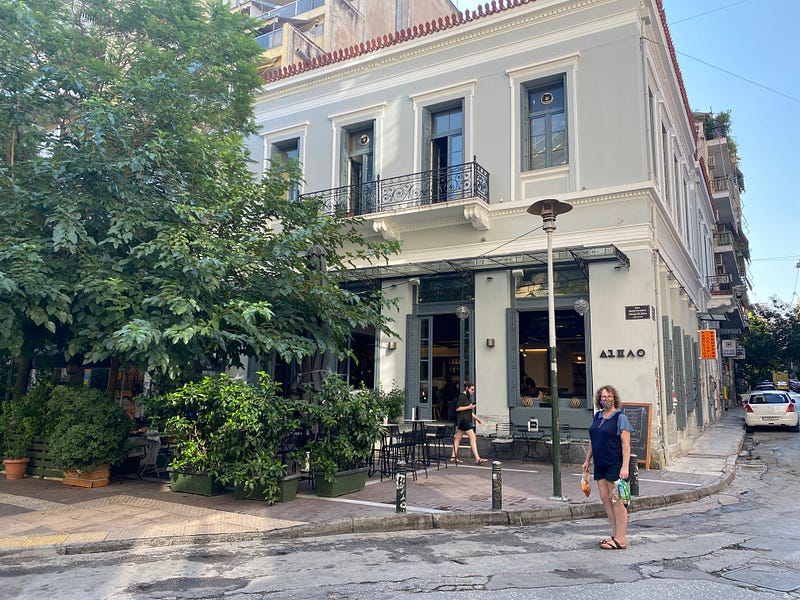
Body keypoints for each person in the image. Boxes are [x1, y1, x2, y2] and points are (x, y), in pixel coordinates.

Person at [581, 385, 634, 550]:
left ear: (614, 398)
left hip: (614, 463)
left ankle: (621, 539)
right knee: (605, 498)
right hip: (600, 464)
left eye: (609, 396)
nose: (606, 399)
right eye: (603, 397)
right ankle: (615, 534)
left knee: (617, 500)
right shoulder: (597, 416)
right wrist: (587, 460)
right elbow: (593, 440)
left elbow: (626, 444)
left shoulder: (620, 417)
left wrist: (625, 467)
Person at [450, 381, 488, 464]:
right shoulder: (462, 396)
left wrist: (477, 418)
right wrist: (469, 407)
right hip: (463, 420)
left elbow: (468, 411)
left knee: (457, 438)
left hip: (464, 420)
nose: (473, 391)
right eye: (472, 389)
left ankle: (453, 457)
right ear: (467, 388)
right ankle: (477, 458)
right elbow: (458, 408)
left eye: (473, 390)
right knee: (473, 437)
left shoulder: (467, 397)